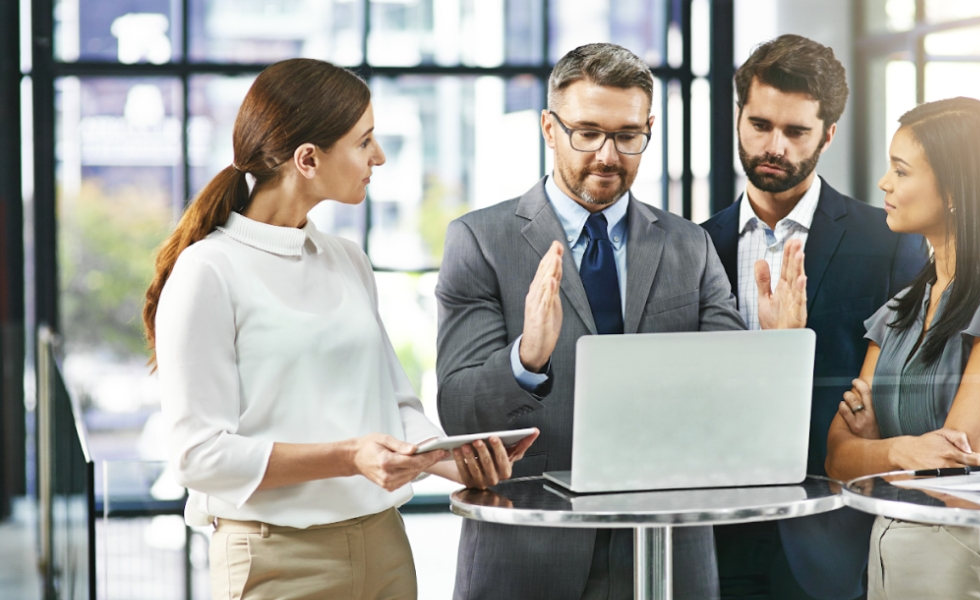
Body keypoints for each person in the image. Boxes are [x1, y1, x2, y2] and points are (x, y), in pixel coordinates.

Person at [142, 58, 536, 600]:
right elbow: (199, 455)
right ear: (308, 159)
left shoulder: (347, 259)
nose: (379, 157)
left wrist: (454, 462)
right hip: (276, 559)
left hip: (385, 547)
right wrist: (348, 457)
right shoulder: (208, 271)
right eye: (364, 141)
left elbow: (396, 405)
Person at [435, 43, 745, 600]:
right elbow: (460, 408)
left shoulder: (690, 245)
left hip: (665, 545)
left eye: (628, 136)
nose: (607, 155)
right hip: (530, 547)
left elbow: (730, 395)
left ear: (650, 128)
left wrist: (771, 341)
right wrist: (527, 357)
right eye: (587, 132)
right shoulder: (479, 240)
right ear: (549, 129)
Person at [819, 96, 980, 599]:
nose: (884, 184)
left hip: (966, 552)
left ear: (956, 190)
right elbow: (836, 456)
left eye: (901, 170)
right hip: (889, 539)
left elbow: (951, 461)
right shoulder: (901, 307)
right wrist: (900, 450)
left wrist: (874, 448)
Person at [699, 35, 928, 600]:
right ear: (738, 116)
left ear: (827, 134)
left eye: (796, 132)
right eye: (759, 124)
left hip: (834, 534)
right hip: (714, 533)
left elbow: (900, 397)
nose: (773, 146)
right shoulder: (695, 246)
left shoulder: (889, 244)